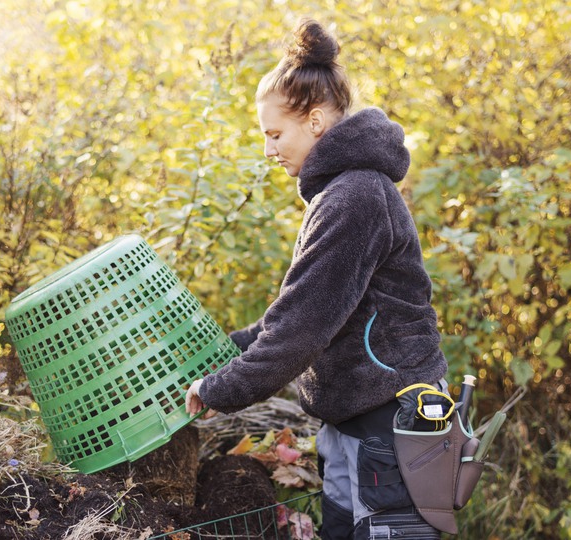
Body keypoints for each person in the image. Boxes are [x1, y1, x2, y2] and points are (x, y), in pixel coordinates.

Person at [185, 18, 447, 540]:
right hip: (354, 414)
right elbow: (296, 311)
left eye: (275, 134)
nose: (268, 149)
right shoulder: (341, 195)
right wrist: (222, 352)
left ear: (318, 121)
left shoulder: (356, 198)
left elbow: (303, 328)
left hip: (391, 417)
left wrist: (223, 387)